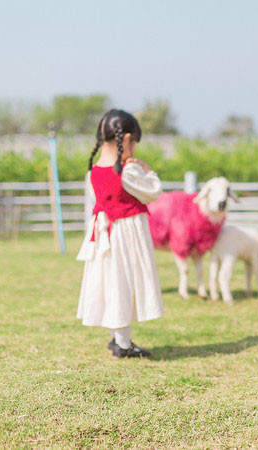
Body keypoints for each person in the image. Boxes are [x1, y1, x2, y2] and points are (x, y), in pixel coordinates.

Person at [76, 109, 163, 358]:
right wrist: (147, 169)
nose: (135, 147)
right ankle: (123, 345)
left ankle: (117, 338)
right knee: (124, 282)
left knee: (110, 282)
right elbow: (153, 192)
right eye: (134, 141)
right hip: (125, 234)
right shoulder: (128, 171)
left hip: (104, 232)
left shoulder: (93, 171)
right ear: (125, 139)